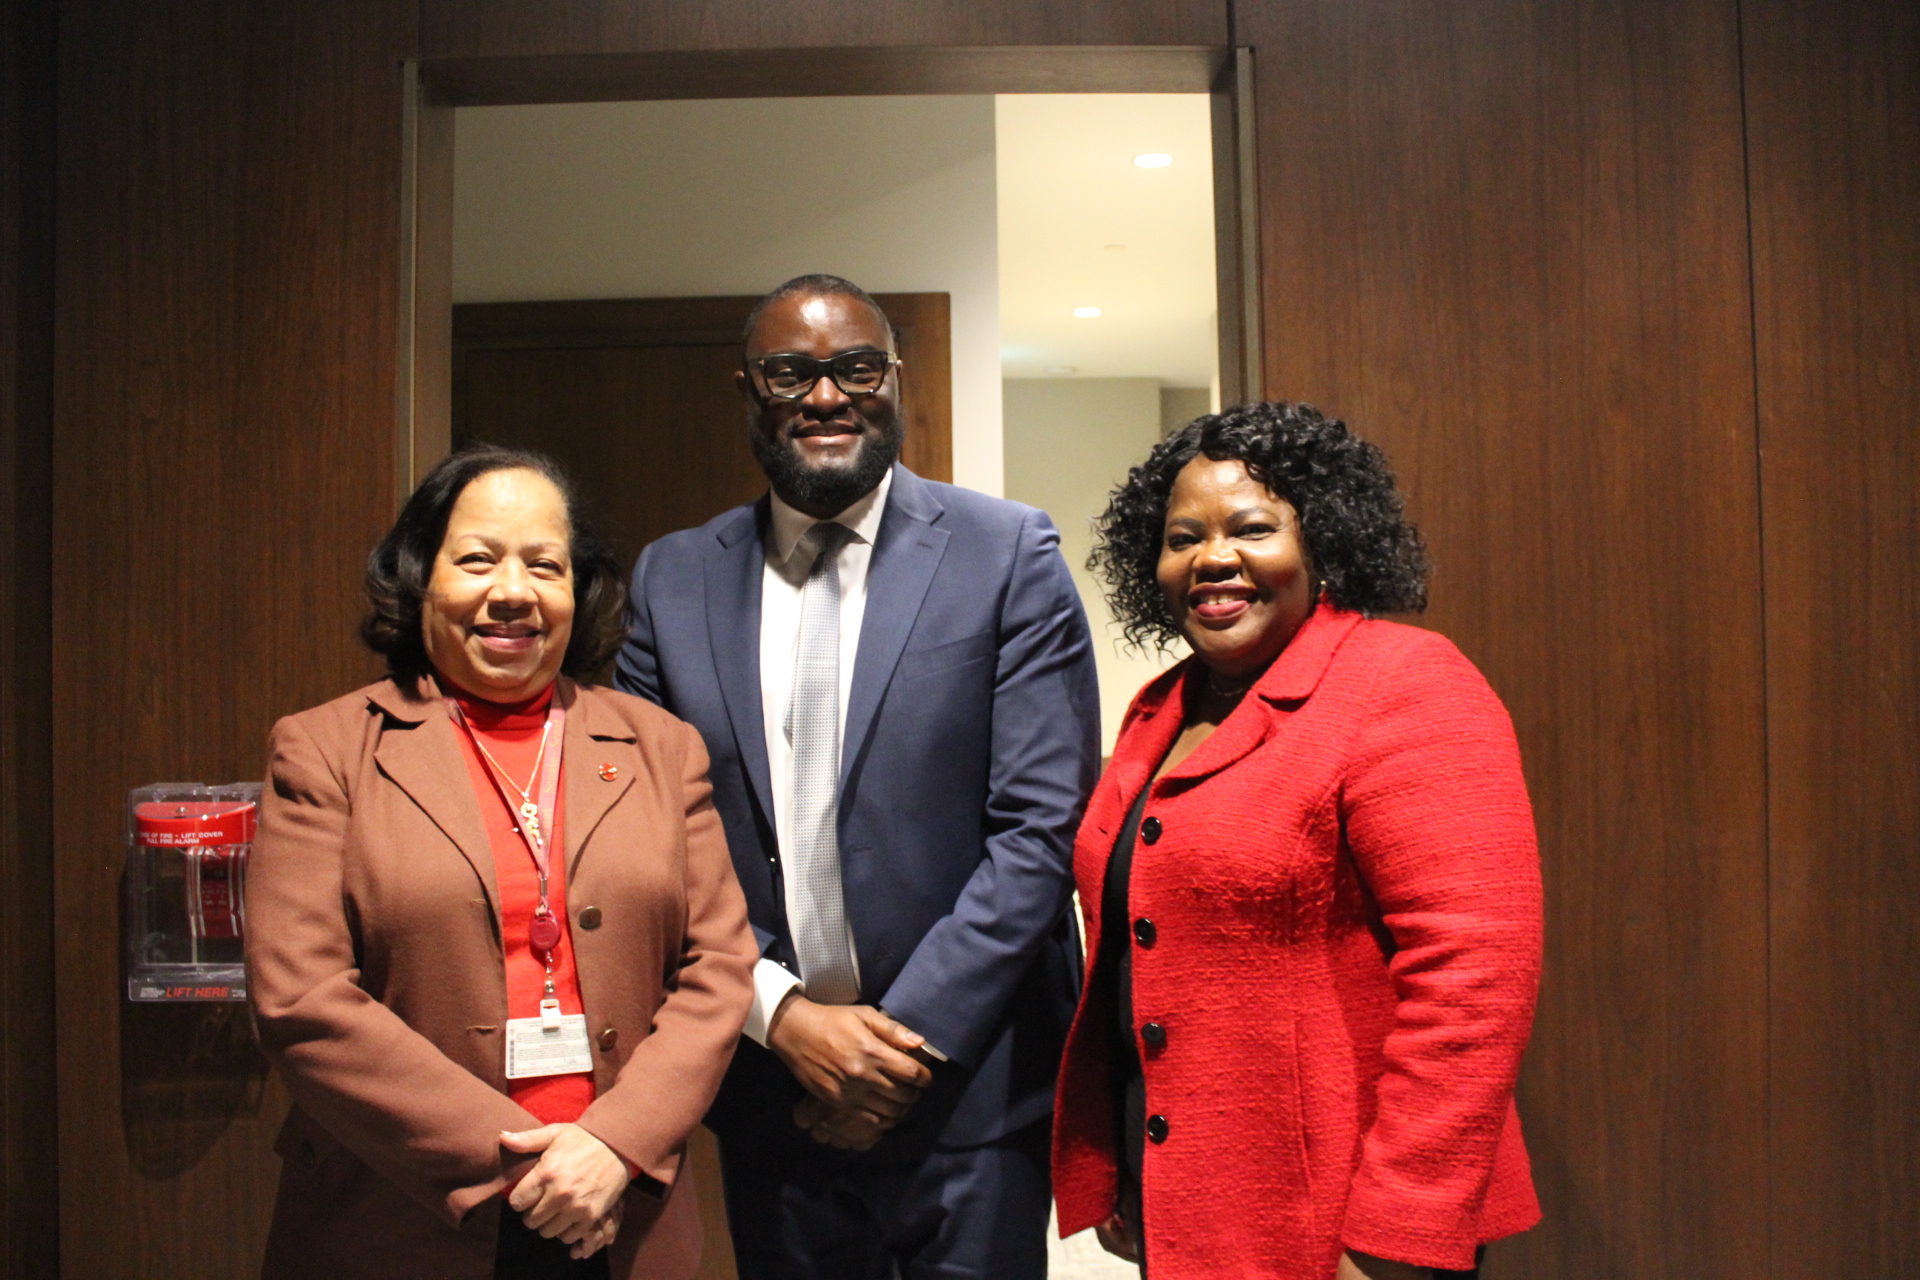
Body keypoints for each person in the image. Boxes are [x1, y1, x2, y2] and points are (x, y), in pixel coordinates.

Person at [616, 274, 1100, 1280]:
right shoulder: (671, 578)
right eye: (790, 372)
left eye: (857, 367)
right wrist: (784, 1017)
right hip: (767, 1088)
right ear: (748, 389)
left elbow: (1040, 831)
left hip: (969, 1092)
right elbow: (652, 835)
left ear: (895, 380)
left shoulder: (1008, 552)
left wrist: (895, 1048)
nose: (826, 395)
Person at [1051, 402, 1544, 1280]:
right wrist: (1128, 1167)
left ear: (1323, 543)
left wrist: (1397, 1234)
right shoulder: (1159, 710)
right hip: (1190, 1203)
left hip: (1344, 1223)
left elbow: (1473, 985)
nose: (1212, 557)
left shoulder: (1404, 683)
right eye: (1182, 537)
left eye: (1251, 528)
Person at [245, 444, 758, 1280]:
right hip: (395, 1216)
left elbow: (721, 966)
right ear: (421, 580)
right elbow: (298, 996)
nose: (512, 592)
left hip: (622, 1212)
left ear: (577, 591)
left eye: (544, 566)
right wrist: (522, 1167)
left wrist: (612, 1146)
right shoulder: (325, 750)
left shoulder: (661, 748)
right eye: (477, 559)